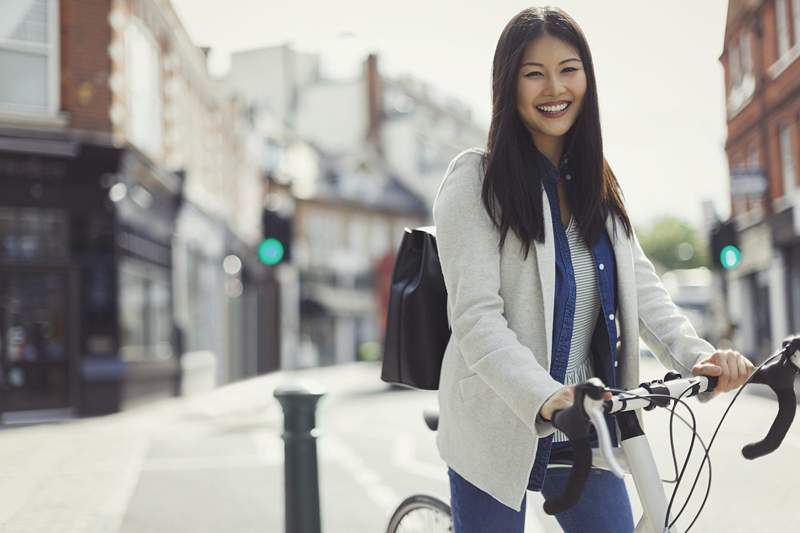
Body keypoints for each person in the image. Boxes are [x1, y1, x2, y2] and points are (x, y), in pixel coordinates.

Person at [432, 6, 754, 533]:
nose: (553, 87)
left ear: (588, 78)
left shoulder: (596, 184)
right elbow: (476, 319)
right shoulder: (476, 180)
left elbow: (641, 289)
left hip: (590, 426)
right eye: (533, 73)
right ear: (507, 85)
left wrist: (700, 356)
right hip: (499, 419)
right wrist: (544, 396)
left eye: (569, 69)